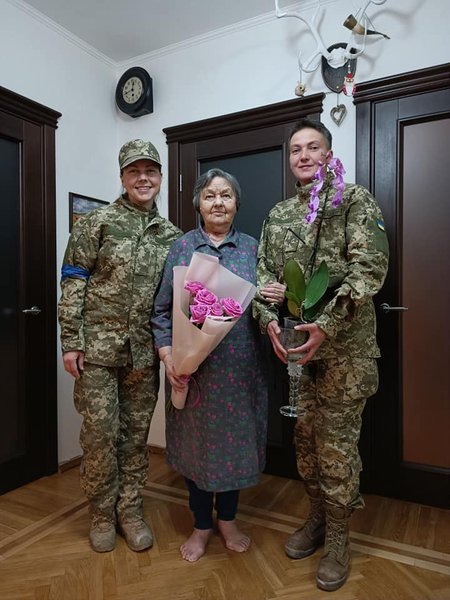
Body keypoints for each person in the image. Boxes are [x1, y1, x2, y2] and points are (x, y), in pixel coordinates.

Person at [253, 118, 389, 592]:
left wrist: (327, 325)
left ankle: (338, 539)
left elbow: (369, 269)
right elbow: (263, 278)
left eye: (313, 147)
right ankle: (315, 519)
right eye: (296, 150)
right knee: (306, 445)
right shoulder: (278, 216)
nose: (304, 156)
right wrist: (267, 319)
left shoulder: (353, 201)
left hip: (344, 354)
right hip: (298, 356)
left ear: (329, 155)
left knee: (335, 449)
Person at [151, 168, 285, 562]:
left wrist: (276, 295)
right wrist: (169, 356)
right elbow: (161, 310)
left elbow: (265, 306)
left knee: (234, 450)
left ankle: (227, 520)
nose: (218, 203)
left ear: (237, 203)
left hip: (242, 372)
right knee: (195, 449)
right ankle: (201, 525)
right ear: (198, 204)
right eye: (210, 195)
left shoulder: (253, 249)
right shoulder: (182, 248)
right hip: (192, 372)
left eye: (226, 195)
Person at [58, 139, 182, 553]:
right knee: (99, 436)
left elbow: (178, 298)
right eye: (134, 171)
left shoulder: (172, 236)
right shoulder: (97, 223)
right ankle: (100, 514)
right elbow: (73, 281)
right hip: (97, 352)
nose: (143, 178)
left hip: (145, 353)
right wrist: (71, 341)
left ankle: (130, 511)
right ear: (123, 177)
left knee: (134, 437)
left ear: (160, 177)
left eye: (150, 171)